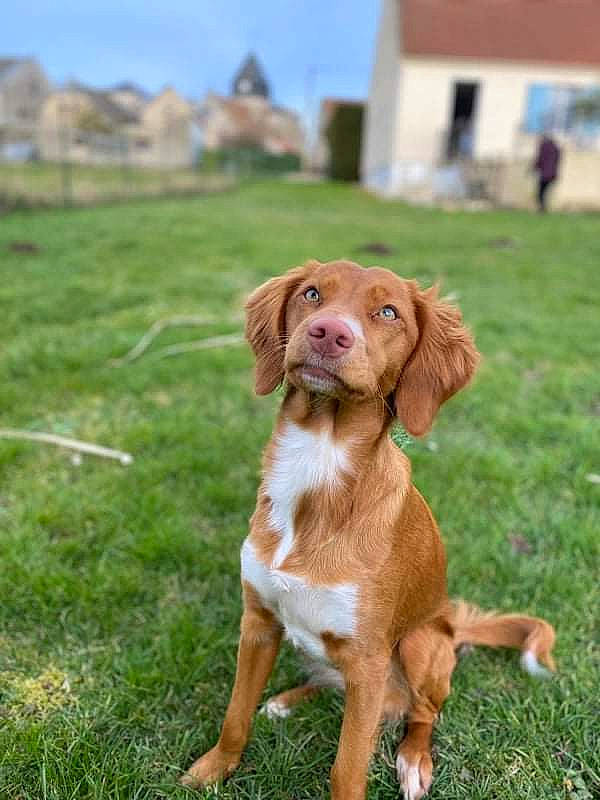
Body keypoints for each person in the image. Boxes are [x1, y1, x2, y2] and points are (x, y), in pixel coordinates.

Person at [533, 134, 561, 212]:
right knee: (544, 192)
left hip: (544, 174)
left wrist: (533, 168)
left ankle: (542, 208)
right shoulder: (556, 148)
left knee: (540, 192)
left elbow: (540, 159)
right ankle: (543, 207)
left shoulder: (544, 147)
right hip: (552, 174)